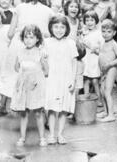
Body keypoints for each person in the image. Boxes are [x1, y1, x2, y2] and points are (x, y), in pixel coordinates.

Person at [11, 25, 48, 147]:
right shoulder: (20, 52)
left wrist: (36, 77)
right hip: (24, 87)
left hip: (36, 86)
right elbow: (16, 67)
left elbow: (46, 70)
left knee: (38, 112)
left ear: (37, 39)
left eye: (31, 37)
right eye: (26, 37)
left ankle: (42, 137)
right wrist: (22, 78)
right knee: (24, 112)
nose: (28, 40)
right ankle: (22, 137)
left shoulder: (40, 52)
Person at [44, 14, 78, 145]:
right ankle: (52, 134)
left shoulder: (70, 43)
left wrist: (73, 80)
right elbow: (43, 61)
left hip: (66, 79)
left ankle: (60, 134)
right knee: (52, 108)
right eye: (56, 27)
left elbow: (74, 62)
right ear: (51, 28)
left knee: (64, 108)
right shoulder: (46, 43)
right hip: (51, 79)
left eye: (62, 27)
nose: (59, 30)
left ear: (67, 29)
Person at [98, 19, 117, 122]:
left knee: (108, 92)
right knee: (102, 91)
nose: (106, 34)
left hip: (112, 69)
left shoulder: (114, 44)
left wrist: (110, 64)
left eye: (109, 32)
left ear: (114, 33)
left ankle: (111, 115)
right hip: (104, 70)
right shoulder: (103, 42)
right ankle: (105, 111)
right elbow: (102, 54)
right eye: (103, 31)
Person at [82, 10, 104, 106]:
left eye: (92, 20)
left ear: (96, 21)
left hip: (94, 59)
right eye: (87, 20)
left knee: (95, 80)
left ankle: (99, 100)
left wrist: (95, 49)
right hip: (86, 58)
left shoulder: (99, 33)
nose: (89, 22)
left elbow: (102, 48)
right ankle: (86, 97)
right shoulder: (84, 33)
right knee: (86, 79)